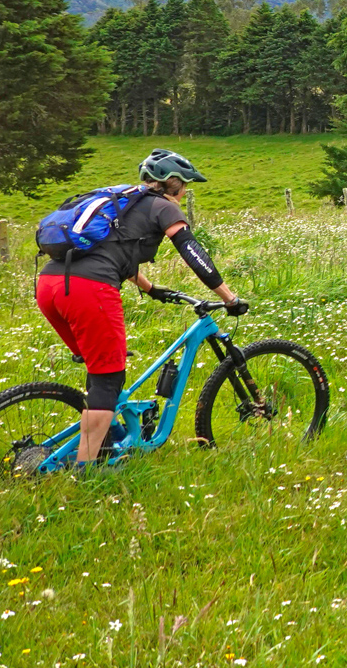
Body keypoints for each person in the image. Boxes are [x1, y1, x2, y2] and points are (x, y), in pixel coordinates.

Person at [35, 149, 246, 466]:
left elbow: (114, 251)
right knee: (108, 380)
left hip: (50, 285)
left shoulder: (123, 201)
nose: (185, 193)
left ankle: (106, 446)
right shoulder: (164, 206)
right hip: (88, 290)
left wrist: (151, 289)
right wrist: (229, 297)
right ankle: (86, 471)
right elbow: (192, 252)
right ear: (174, 183)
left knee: (101, 373)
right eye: (185, 185)